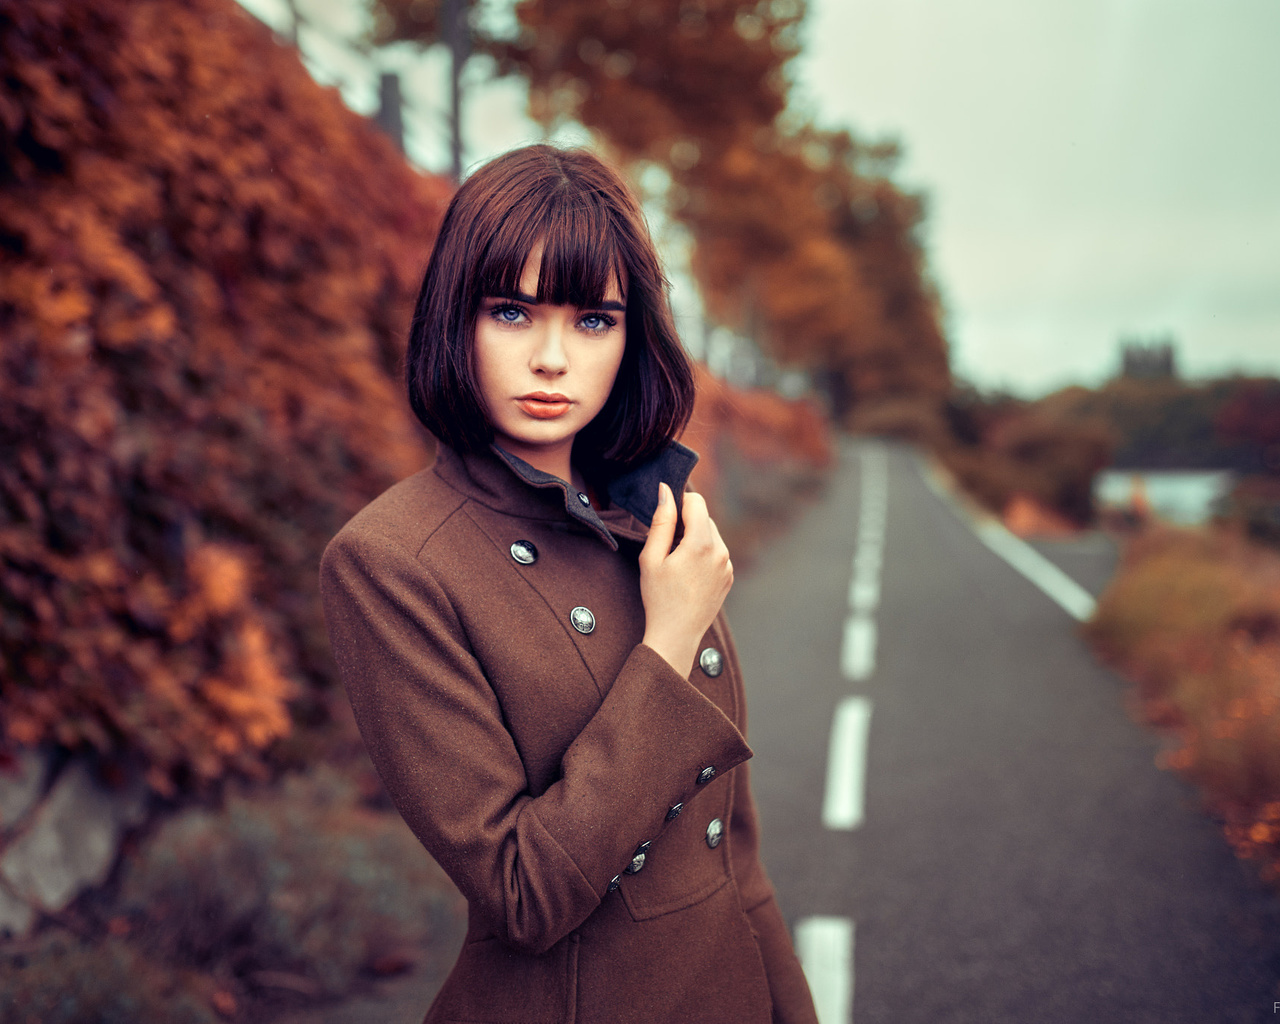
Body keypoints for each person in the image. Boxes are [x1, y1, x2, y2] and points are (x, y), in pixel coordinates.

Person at [319, 144, 818, 1024]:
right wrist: (668, 642)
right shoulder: (392, 560)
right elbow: (523, 894)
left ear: (632, 339)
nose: (552, 358)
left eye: (593, 320)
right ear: (456, 321)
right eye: (512, 311)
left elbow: (732, 857)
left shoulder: (653, 524)